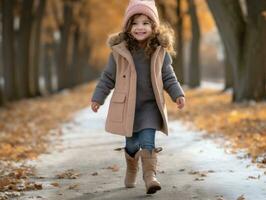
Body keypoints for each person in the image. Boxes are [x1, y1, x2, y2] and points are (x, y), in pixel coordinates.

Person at [90, 0, 185, 194]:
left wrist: (177, 95)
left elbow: (168, 77)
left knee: (148, 141)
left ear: (154, 27)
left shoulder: (160, 52)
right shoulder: (120, 52)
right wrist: (98, 98)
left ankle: (150, 177)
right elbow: (108, 77)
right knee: (132, 144)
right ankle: (132, 168)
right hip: (128, 106)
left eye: (145, 23)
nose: (140, 27)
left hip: (150, 105)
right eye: (135, 23)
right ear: (128, 27)